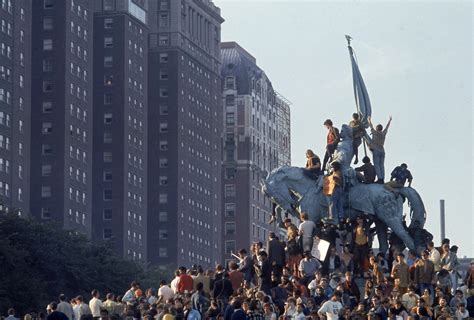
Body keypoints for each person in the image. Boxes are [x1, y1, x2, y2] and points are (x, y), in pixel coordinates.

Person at [367, 115, 392, 183]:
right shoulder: (383, 134)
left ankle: (380, 178)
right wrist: (389, 120)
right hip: (382, 150)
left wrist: (369, 120)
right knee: (382, 165)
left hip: (376, 150)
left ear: (377, 128)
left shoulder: (374, 132)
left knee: (377, 165)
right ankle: (383, 178)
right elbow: (387, 128)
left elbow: (370, 126)